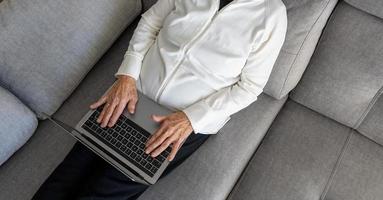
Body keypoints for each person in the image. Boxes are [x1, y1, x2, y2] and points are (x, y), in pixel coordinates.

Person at [33, 0, 287, 199]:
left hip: (175, 125)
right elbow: (151, 22)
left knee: (104, 193)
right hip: (132, 97)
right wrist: (127, 77)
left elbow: (250, 87)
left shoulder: (271, 15)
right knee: (67, 174)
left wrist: (190, 119)